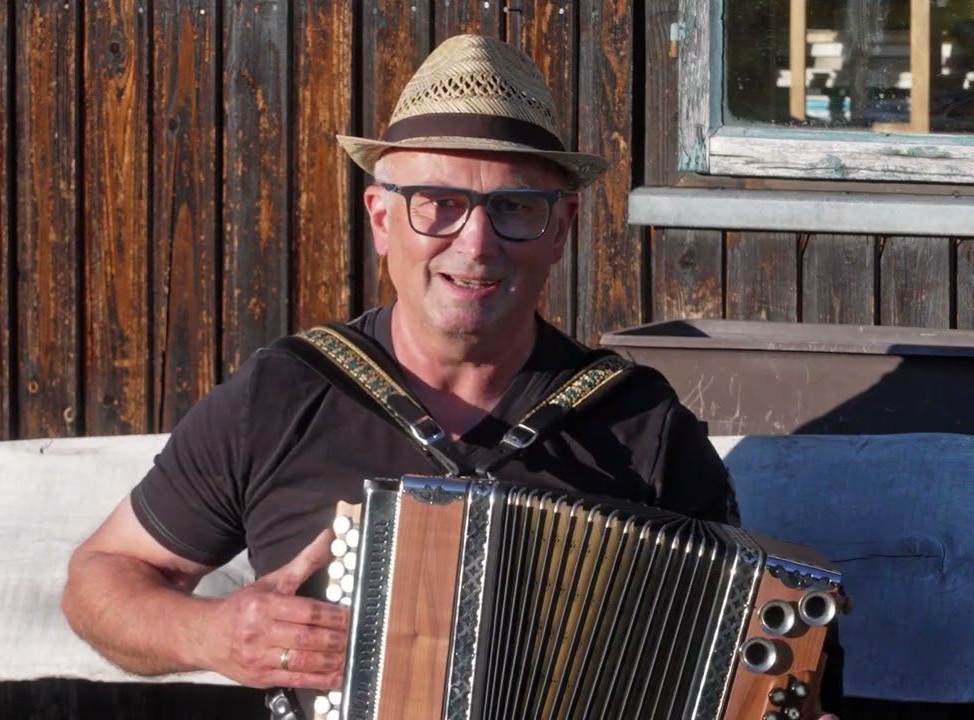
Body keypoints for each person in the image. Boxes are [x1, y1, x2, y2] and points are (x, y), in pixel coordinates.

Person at [61, 34, 841, 719]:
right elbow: (103, 578)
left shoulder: (640, 421)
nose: (475, 246)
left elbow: (750, 658)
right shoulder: (283, 396)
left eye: (515, 208)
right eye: (438, 203)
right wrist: (215, 633)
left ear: (560, 229)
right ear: (380, 218)